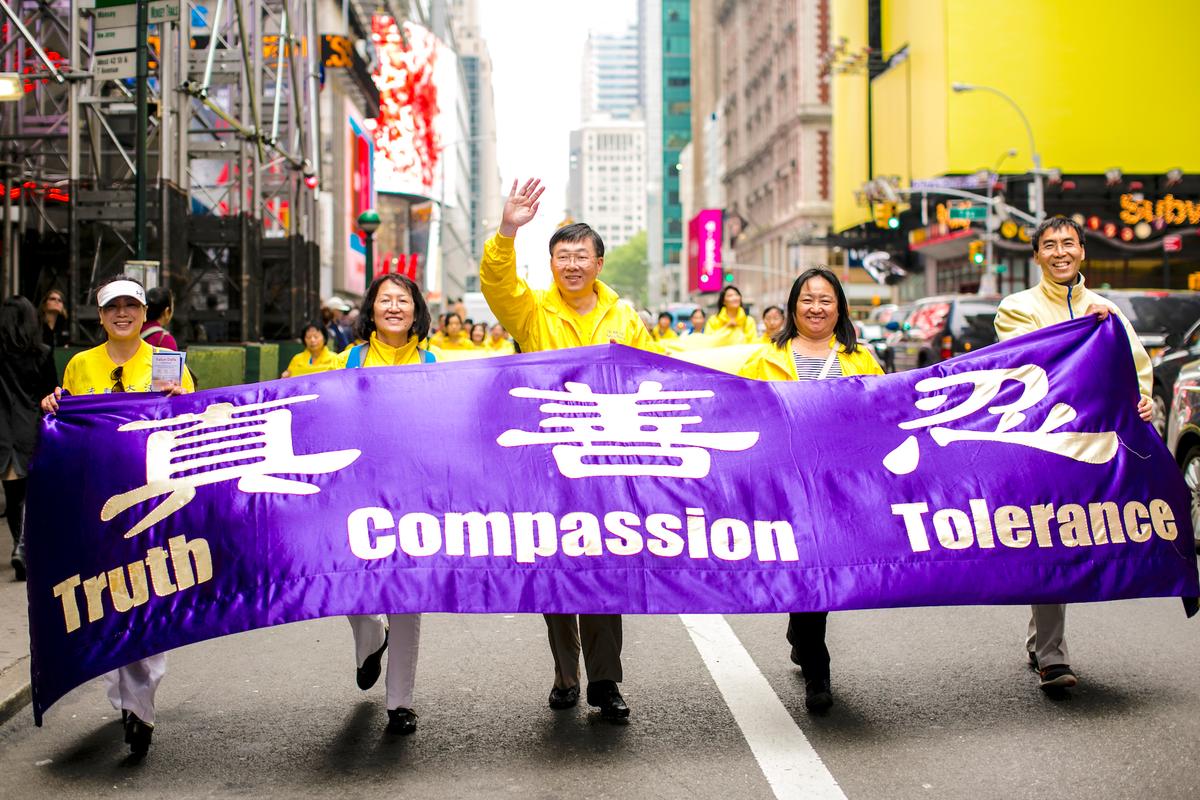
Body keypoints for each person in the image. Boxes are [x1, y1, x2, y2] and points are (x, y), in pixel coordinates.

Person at [480, 177, 656, 720]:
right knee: (555, 570)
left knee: (605, 568)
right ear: (552, 263)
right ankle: (565, 675)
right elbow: (496, 284)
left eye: (582, 256)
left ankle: (605, 681)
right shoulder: (531, 312)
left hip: (608, 464)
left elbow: (653, 377)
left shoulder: (625, 318)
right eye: (563, 256)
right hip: (547, 467)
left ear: (599, 263)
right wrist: (507, 230)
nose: (572, 265)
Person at [993, 216, 1153, 695]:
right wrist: (1088, 333)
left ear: (1083, 251)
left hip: (1094, 447)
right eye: (1049, 245)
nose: (1059, 252)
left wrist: (1143, 400)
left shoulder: (1108, 310)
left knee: (1086, 540)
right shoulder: (1016, 308)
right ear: (1037, 256)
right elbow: (1033, 365)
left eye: (1068, 243)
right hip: (1042, 446)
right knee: (1052, 543)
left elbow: (1135, 369)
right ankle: (1052, 657)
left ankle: (1039, 639)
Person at [40, 275, 192, 756]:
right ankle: (130, 701)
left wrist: (180, 401)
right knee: (112, 597)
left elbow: (190, 422)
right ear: (101, 316)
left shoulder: (167, 362)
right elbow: (67, 427)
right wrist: (53, 407)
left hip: (153, 500)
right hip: (99, 502)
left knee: (149, 596)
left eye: (131, 306)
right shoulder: (80, 365)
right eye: (112, 307)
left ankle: (139, 702)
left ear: (145, 314)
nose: (122, 314)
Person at [739, 268, 883, 714]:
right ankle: (818, 671)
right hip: (786, 486)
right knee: (807, 570)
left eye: (825, 300)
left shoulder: (861, 359)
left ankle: (801, 635)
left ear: (839, 308)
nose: (816, 308)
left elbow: (881, 416)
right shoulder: (764, 360)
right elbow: (740, 413)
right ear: (793, 306)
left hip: (839, 487)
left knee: (826, 571)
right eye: (807, 299)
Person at [334, 273, 436, 736]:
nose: (394, 307)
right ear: (371, 310)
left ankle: (400, 703)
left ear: (416, 311)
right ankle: (372, 638)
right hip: (356, 491)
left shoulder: (433, 364)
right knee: (351, 587)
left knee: (407, 597)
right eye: (385, 299)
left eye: (403, 300)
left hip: (414, 494)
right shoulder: (349, 359)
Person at [0, 296, 58, 581]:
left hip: (3, 431)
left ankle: (19, 544)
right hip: (32, 430)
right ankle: (24, 547)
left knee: (12, 495)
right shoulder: (43, 354)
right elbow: (51, 394)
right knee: (31, 493)